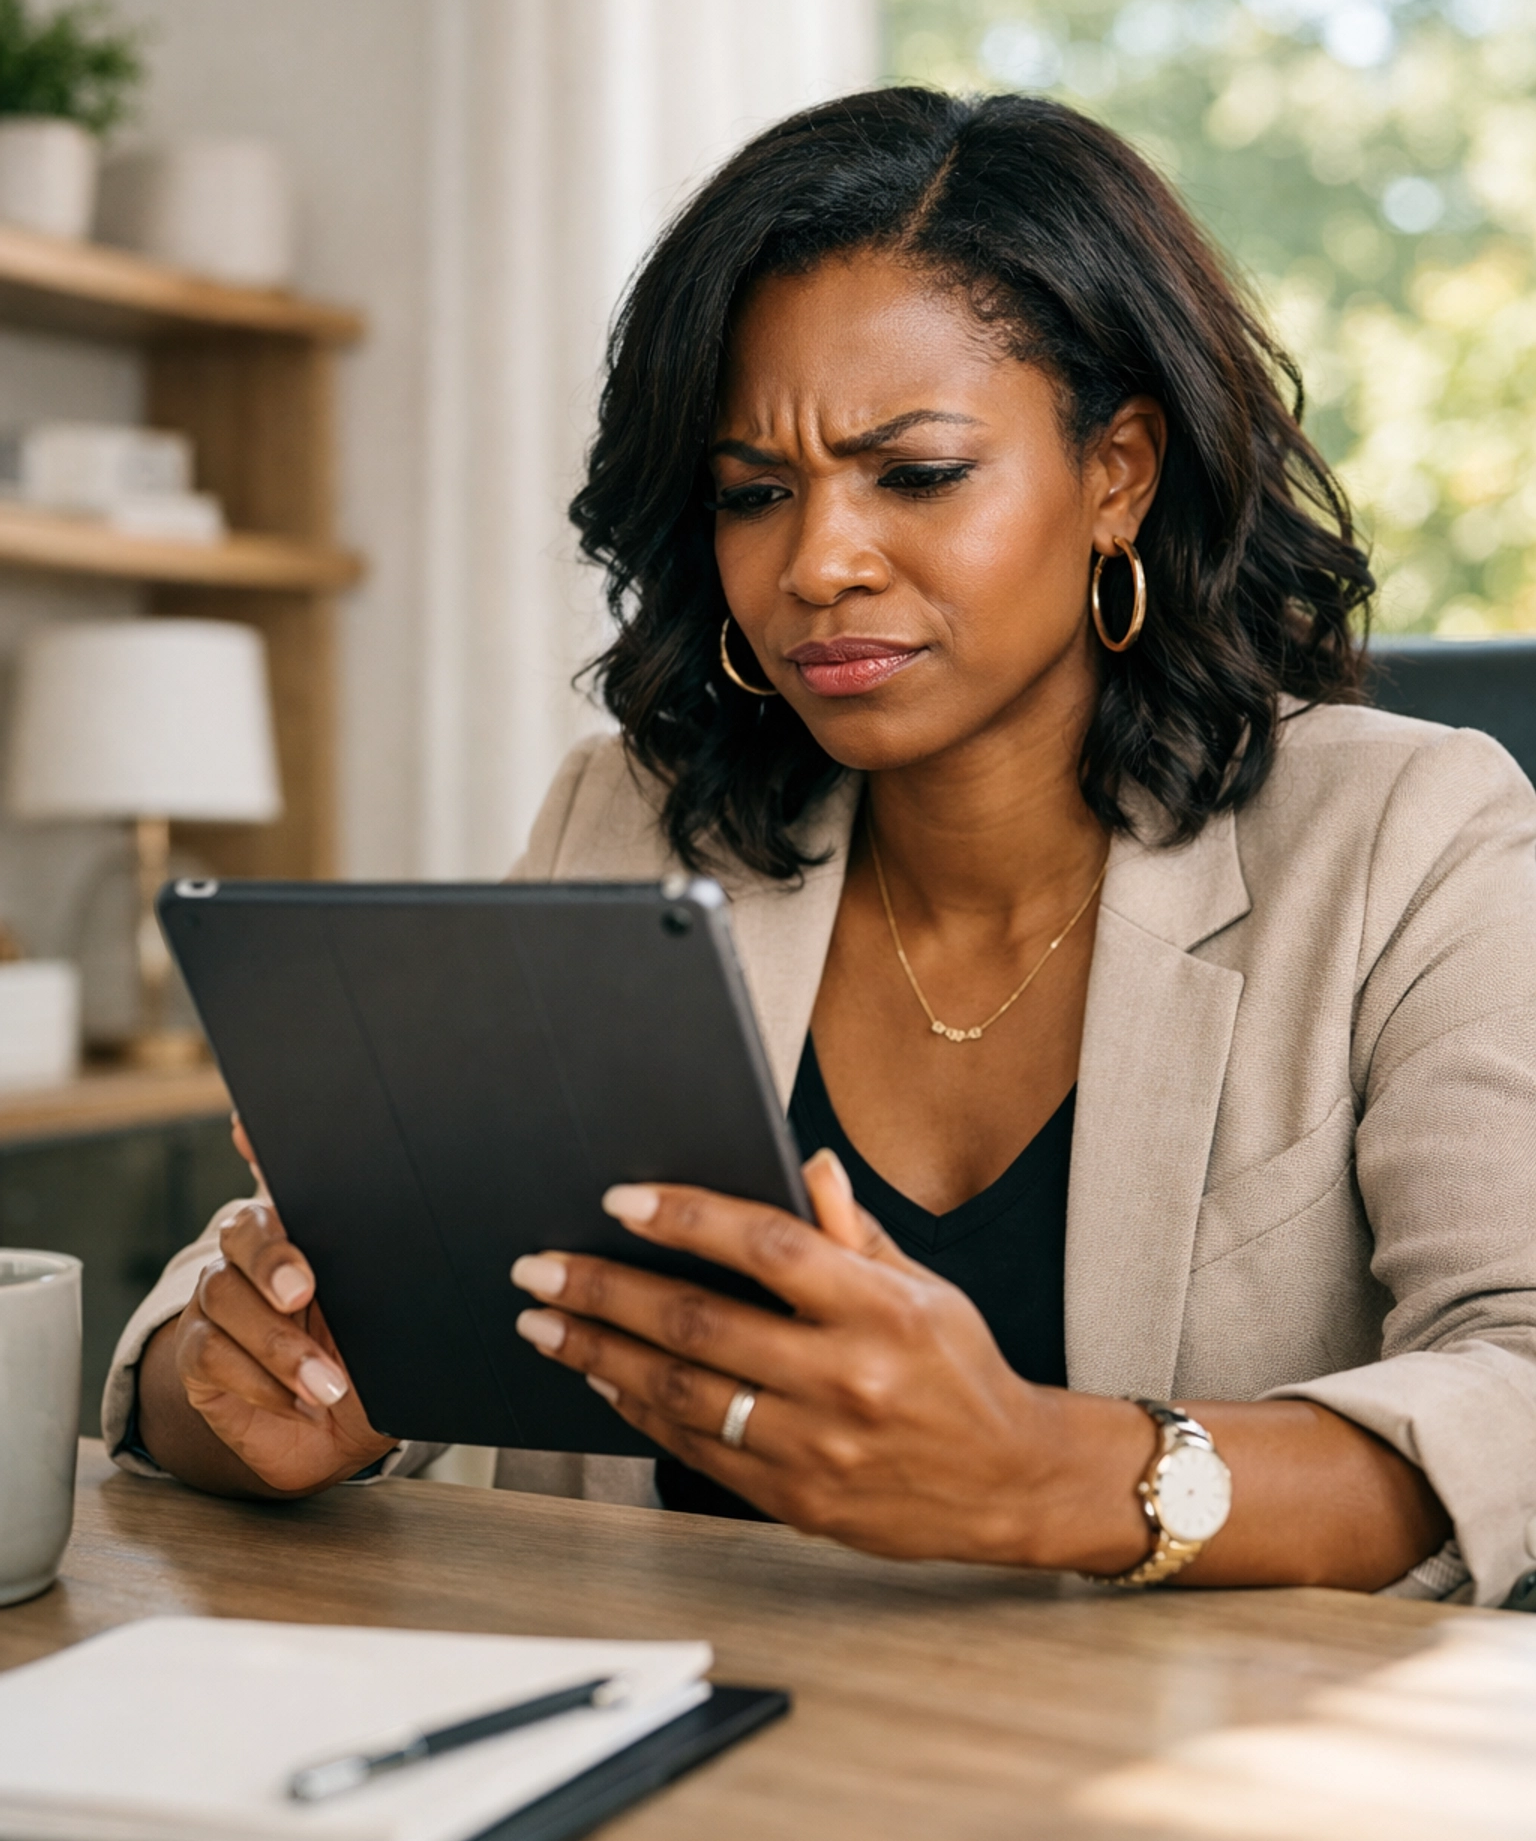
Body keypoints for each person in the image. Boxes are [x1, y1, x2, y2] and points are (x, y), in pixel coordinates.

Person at [107, 89, 1536, 1603]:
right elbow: (216, 1368)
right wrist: (252, 1385)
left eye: (915, 475)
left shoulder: (1411, 837)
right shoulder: (631, 820)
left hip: (1199, 1741)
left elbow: (1518, 1380)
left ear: (1117, 472)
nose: (817, 563)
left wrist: (1049, 1472)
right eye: (755, 493)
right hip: (677, 1719)